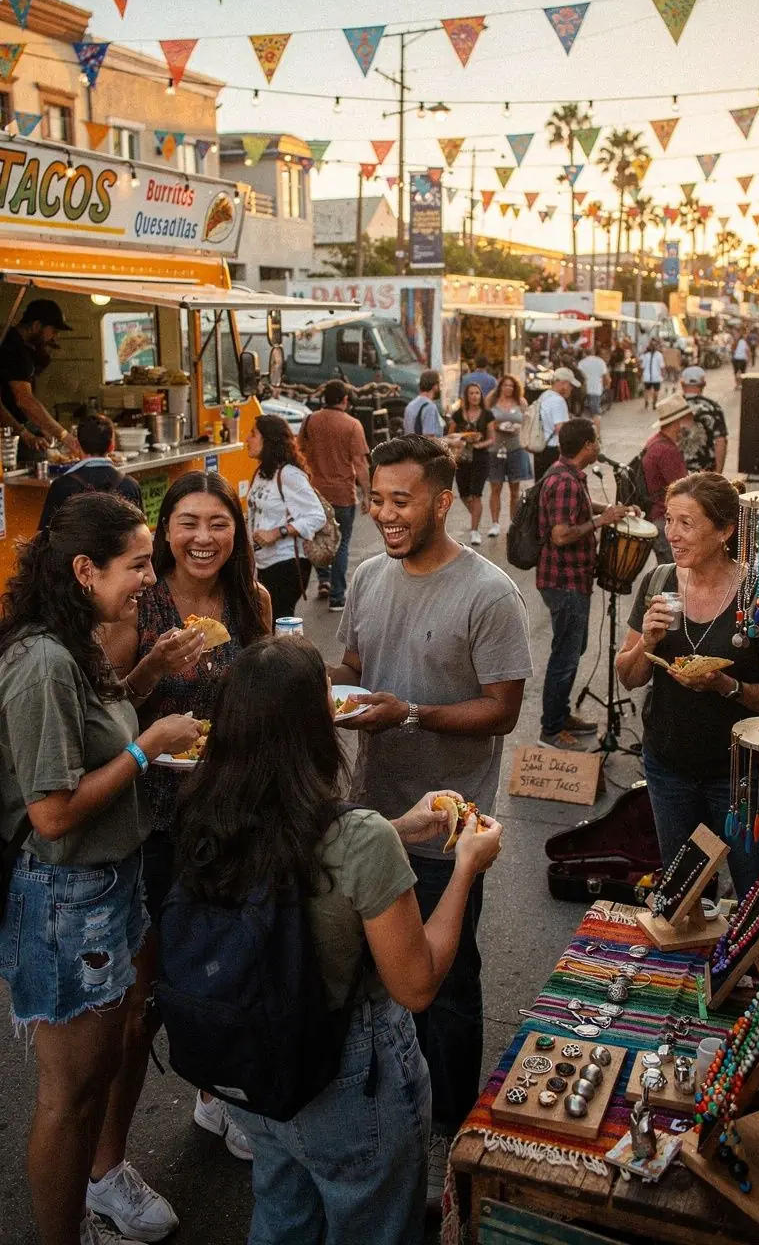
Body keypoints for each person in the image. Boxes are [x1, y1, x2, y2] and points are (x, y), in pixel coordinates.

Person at [172, 637, 502, 1245]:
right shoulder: (357, 838)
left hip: (256, 1071)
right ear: (315, 728)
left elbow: (309, 858)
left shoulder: (208, 809)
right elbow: (418, 983)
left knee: (282, 1214)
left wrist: (397, 827)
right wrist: (465, 869)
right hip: (350, 1081)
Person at [332, 434, 532, 1201]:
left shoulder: (488, 593)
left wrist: (410, 713)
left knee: (446, 985)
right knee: (369, 978)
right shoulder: (367, 577)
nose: (384, 514)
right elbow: (354, 669)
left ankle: (449, 1130)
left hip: (449, 827)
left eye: (401, 500)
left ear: (442, 500)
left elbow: (503, 710)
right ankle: (388, 1110)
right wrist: (317, 687)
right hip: (369, 815)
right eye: (376, 499)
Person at [0, 494, 200, 1245]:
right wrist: (149, 746)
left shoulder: (77, 639)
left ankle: (87, 1208)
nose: (152, 578)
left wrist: (146, 671)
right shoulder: (43, 660)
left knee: (94, 1079)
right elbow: (52, 811)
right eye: (138, 564)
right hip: (65, 895)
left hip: (107, 884)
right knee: (69, 1095)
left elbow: (91, 731)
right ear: (85, 569)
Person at [94, 471, 272, 1196]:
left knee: (227, 975)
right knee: (140, 1008)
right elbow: (100, 718)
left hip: (231, 820)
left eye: (219, 523)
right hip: (153, 826)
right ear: (164, 533)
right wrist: (150, 667)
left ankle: (215, 1098)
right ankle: (105, 1168)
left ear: (237, 530)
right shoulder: (138, 607)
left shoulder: (252, 601)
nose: (204, 538)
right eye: (188, 523)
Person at [616, 473, 759, 899]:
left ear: (725, 530)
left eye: (686, 523)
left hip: (740, 776)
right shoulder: (659, 583)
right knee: (685, 896)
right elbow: (629, 675)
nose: (671, 534)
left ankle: (750, 968)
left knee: (753, 897)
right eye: (669, 520)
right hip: (668, 767)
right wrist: (647, 644)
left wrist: (727, 685)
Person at [536, 418, 628, 750]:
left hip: (572, 580)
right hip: (564, 581)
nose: (599, 447)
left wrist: (609, 510)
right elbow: (561, 534)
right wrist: (601, 521)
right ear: (588, 446)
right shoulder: (564, 481)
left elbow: (577, 511)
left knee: (574, 649)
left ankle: (560, 714)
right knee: (566, 655)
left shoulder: (570, 475)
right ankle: (550, 728)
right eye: (597, 442)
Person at [299, 380, 370, 612]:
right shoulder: (353, 425)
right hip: (342, 494)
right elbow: (360, 463)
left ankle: (324, 580)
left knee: (318, 539)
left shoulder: (310, 420)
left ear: (324, 398)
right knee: (341, 544)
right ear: (345, 400)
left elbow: (299, 450)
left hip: (314, 494)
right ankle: (337, 597)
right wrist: (368, 494)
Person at [247, 414, 327, 618]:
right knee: (266, 624)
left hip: (286, 564)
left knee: (279, 623)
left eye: (253, 434)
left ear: (268, 439)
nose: (247, 440)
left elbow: (317, 516)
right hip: (262, 562)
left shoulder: (289, 474)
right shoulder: (261, 473)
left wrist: (277, 532)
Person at [0, 298, 81, 458]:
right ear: (36, 326)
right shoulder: (16, 351)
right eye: (53, 331)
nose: (54, 338)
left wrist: (42, 428)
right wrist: (64, 436)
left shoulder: (11, 343)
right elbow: (25, 401)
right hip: (8, 440)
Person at [38, 413, 143, 530]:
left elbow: (45, 538)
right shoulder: (130, 486)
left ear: (77, 445)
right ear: (112, 446)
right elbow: (141, 536)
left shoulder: (61, 486)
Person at [642, 394, 694, 564]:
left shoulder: (655, 441)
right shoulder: (667, 451)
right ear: (678, 422)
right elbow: (683, 490)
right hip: (664, 519)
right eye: (688, 420)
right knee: (673, 577)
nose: (691, 425)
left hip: (658, 516)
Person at [485, 374, 532, 538]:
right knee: (495, 487)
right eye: (505, 385)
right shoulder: (492, 401)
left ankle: (513, 523)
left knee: (515, 489)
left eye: (511, 386)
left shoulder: (521, 402)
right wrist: (495, 426)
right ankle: (495, 523)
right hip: (496, 448)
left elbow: (528, 422)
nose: (508, 388)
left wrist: (520, 429)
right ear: (500, 387)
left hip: (516, 448)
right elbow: (485, 419)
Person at [447, 382, 494, 545]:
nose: (475, 396)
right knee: (464, 494)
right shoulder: (458, 415)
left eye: (477, 393)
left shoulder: (487, 415)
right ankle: (476, 516)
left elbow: (491, 439)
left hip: (480, 458)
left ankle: (475, 530)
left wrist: (478, 444)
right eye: (471, 393)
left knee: (476, 494)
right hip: (462, 459)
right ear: (466, 397)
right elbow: (449, 436)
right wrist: (460, 439)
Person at [533, 366, 582, 478]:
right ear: (564, 384)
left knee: (542, 486)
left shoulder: (545, 395)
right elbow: (561, 430)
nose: (571, 389)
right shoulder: (558, 401)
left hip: (542, 447)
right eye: (570, 385)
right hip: (553, 450)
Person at [678, 367, 728, 474]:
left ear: (682, 384)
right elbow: (721, 441)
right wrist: (718, 473)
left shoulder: (672, 407)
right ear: (703, 384)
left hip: (677, 473)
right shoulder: (713, 408)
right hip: (705, 473)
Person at [578, 347, 610, 435]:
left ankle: (585, 435)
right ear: (593, 352)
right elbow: (607, 378)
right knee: (596, 414)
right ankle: (597, 436)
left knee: (585, 414)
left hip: (584, 391)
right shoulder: (600, 361)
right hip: (596, 390)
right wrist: (605, 387)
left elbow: (579, 376)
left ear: (584, 353)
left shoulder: (581, 363)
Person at [403, 370, 445, 436]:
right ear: (435, 386)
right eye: (441, 384)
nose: (442, 388)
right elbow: (429, 439)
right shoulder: (430, 407)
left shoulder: (410, 405)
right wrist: (451, 442)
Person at [639, 338, 665, 410]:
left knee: (647, 390)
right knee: (655, 391)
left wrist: (641, 374)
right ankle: (654, 402)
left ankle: (647, 402)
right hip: (656, 377)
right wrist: (663, 374)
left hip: (648, 376)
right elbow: (662, 366)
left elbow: (642, 366)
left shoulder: (646, 355)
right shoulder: (659, 355)